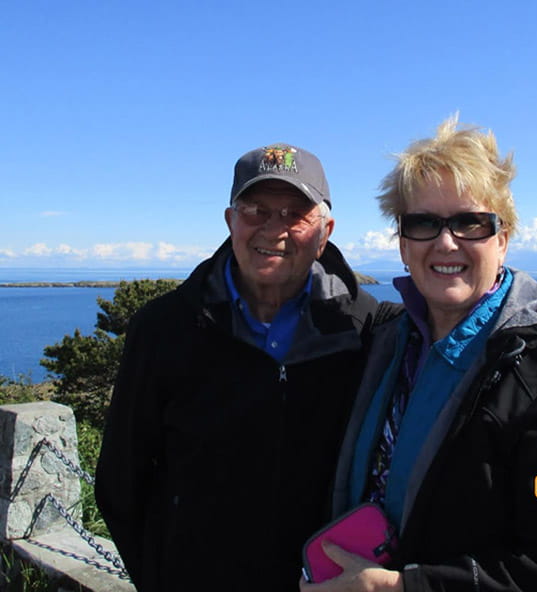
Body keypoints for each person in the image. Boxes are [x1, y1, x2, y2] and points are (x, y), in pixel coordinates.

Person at [303, 117, 537, 592]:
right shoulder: (388, 342)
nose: (446, 241)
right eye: (423, 222)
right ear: (402, 244)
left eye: (471, 222)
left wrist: (402, 588)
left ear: (503, 238)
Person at [95, 144, 398, 591]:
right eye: (256, 209)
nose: (273, 228)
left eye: (296, 213)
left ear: (325, 231)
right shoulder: (165, 328)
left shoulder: (366, 330)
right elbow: (121, 482)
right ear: (230, 221)